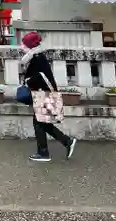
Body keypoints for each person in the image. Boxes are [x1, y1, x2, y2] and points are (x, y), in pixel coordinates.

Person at [22, 31, 76, 163]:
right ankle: (63, 143)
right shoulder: (35, 56)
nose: (22, 46)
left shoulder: (37, 58)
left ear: (30, 45)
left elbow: (42, 77)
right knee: (41, 123)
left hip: (44, 93)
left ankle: (48, 151)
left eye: (24, 43)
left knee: (40, 123)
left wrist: (27, 81)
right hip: (42, 93)